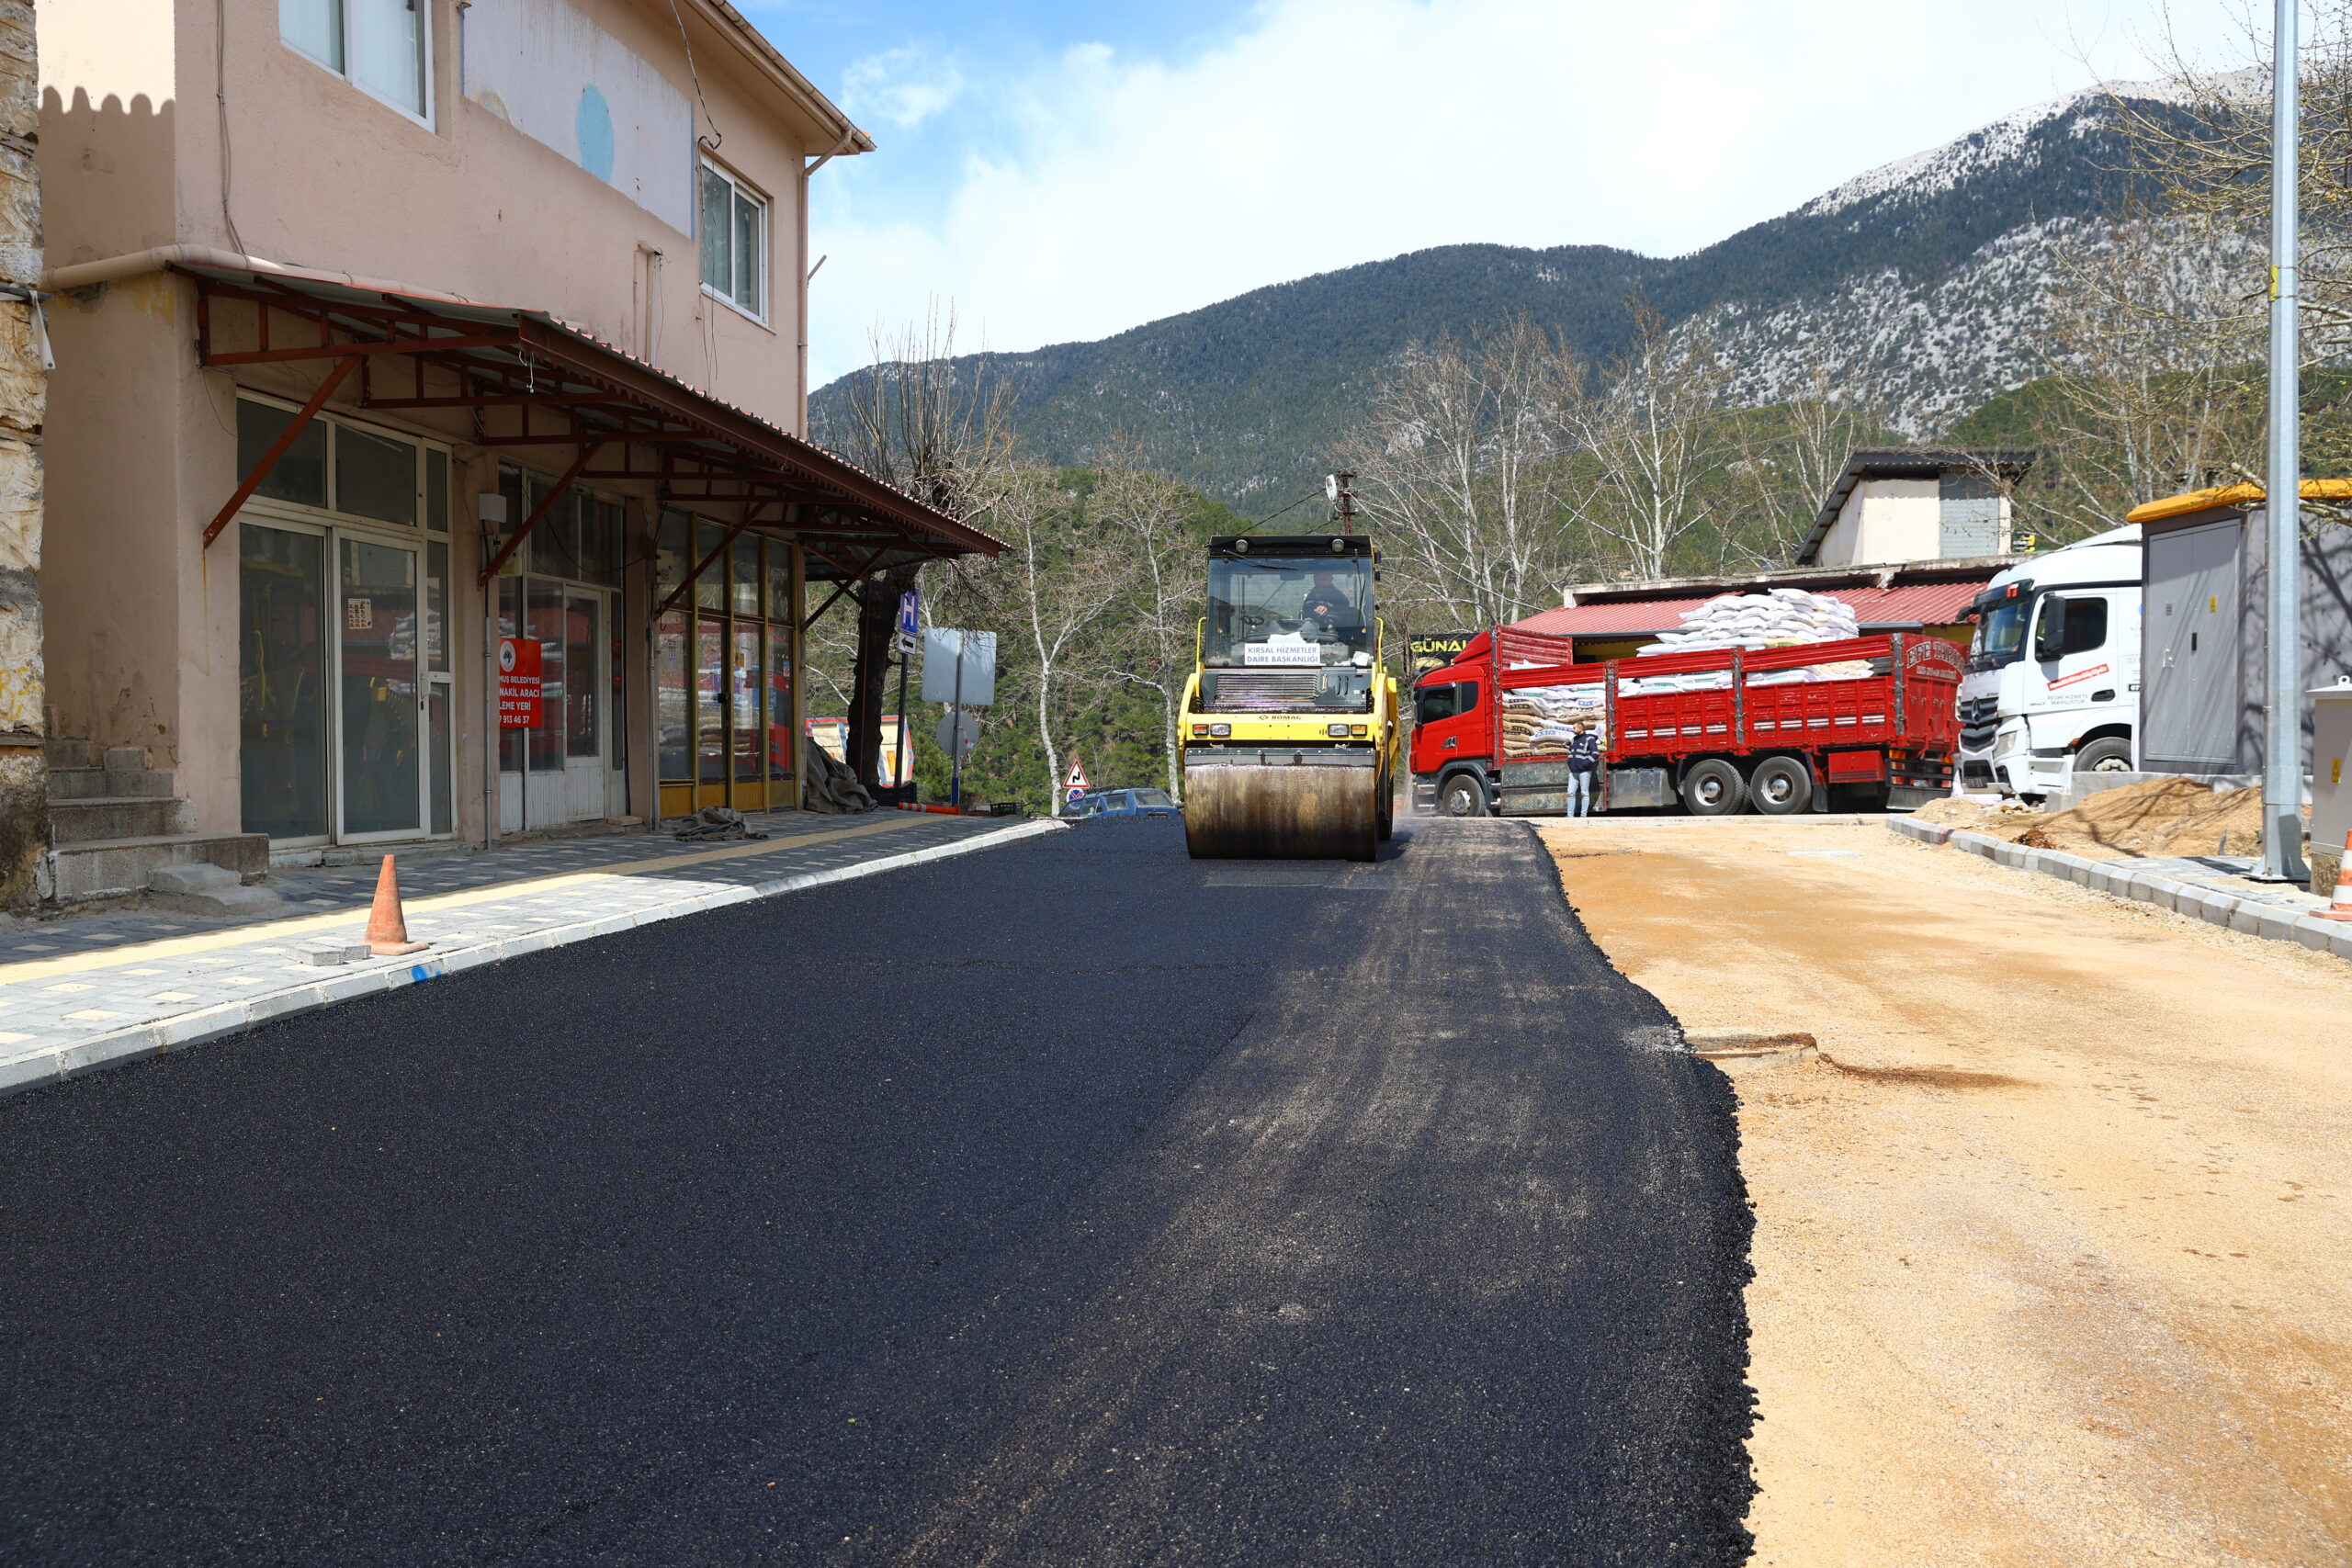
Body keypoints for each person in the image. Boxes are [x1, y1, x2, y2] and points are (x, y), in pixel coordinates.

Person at [1565, 719, 1601, 818]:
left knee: (1584, 793)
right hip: (1573, 771)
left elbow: (1595, 754)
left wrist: (1584, 765)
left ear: (1580, 729)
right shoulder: (1574, 740)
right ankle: (1570, 816)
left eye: (1574, 728)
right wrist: (1569, 762)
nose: (1573, 729)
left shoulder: (1590, 739)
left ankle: (1583, 816)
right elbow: (1570, 753)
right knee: (1571, 793)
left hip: (1584, 771)